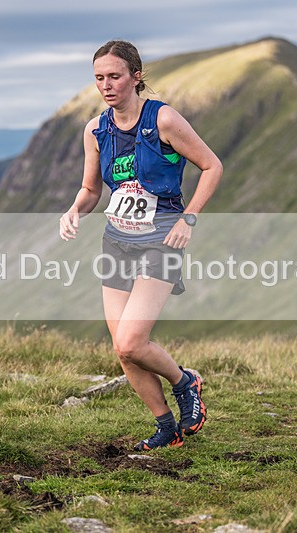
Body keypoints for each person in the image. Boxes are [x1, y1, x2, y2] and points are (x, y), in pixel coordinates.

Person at [59, 40, 223, 450]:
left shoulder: (163, 119)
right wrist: (75, 209)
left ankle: (186, 382)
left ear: (136, 76)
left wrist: (190, 217)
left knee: (133, 340)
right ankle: (166, 427)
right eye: (99, 78)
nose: (106, 85)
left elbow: (211, 165)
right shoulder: (96, 130)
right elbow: (91, 188)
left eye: (114, 76)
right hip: (116, 240)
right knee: (123, 350)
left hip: (161, 238)